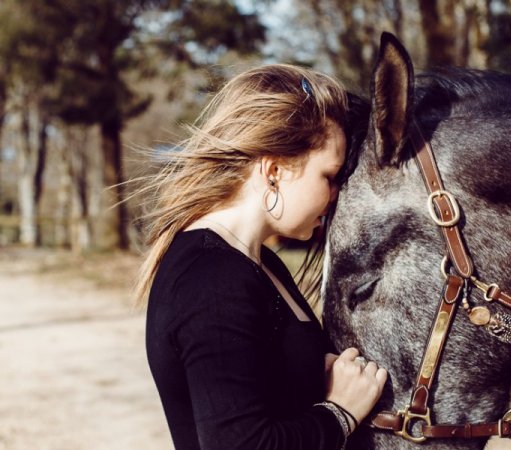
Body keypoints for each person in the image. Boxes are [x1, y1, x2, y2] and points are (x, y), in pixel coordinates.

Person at [134, 64, 387, 450]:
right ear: (273, 171)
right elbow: (238, 444)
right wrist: (341, 412)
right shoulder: (212, 278)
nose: (336, 194)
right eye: (328, 176)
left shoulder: (258, 264)